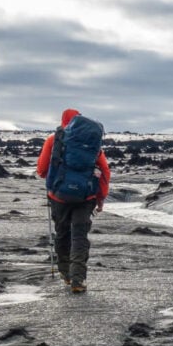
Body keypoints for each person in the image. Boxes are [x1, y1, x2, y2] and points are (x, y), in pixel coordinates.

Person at [36, 108, 110, 293]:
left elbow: (41, 170)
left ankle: (65, 274)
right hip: (86, 197)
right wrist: (100, 199)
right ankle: (78, 280)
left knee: (62, 233)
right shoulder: (90, 142)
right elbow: (105, 172)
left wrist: (55, 181)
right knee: (79, 236)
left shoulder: (54, 140)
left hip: (58, 196)